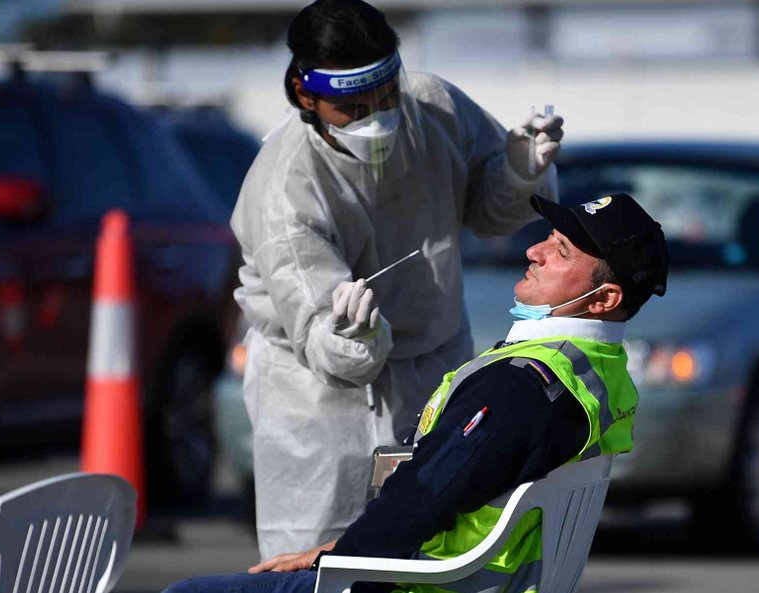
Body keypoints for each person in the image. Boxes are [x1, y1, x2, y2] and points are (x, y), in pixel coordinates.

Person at [165, 192, 669, 593]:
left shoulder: (521, 385)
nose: (533, 251)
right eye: (550, 238)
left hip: (423, 584)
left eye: (559, 252)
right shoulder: (602, 370)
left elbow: (423, 498)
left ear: (604, 299)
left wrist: (333, 561)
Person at [232, 0, 565, 559]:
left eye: (387, 96)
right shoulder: (285, 190)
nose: (377, 119)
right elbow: (322, 340)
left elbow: (486, 212)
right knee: (316, 566)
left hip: (433, 368)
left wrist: (518, 172)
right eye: (352, 107)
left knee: (432, 554)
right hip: (321, 405)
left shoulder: (433, 107)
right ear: (305, 97)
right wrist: (352, 338)